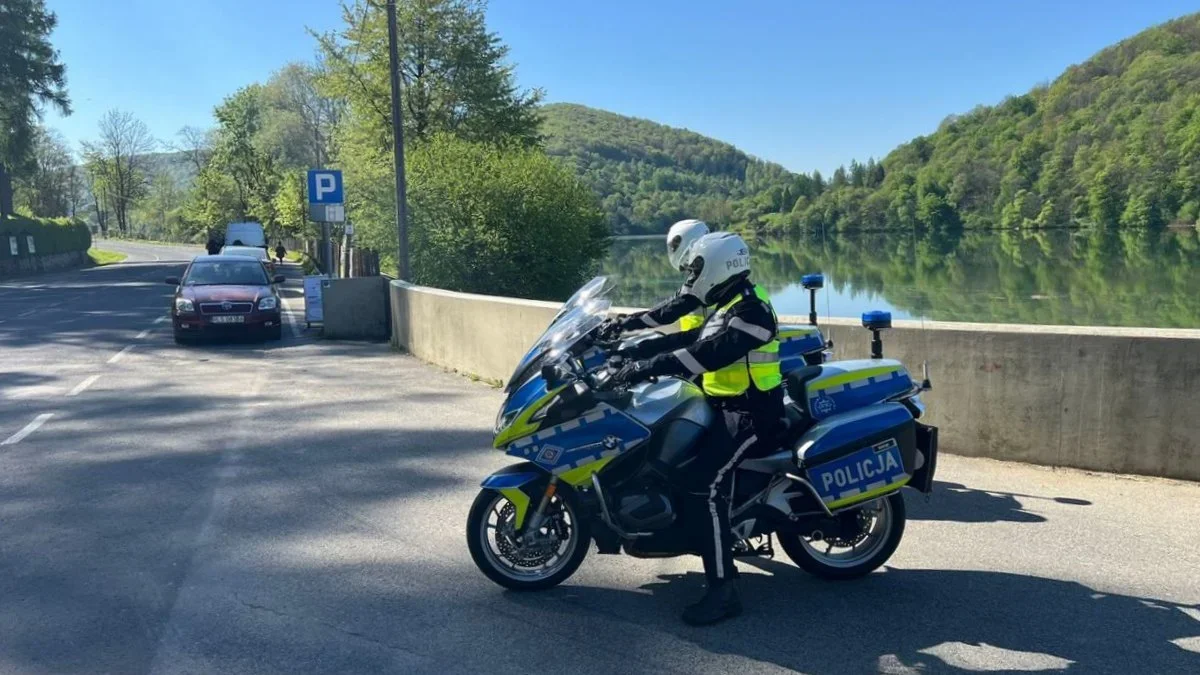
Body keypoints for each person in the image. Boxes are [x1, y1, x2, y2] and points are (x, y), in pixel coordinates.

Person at [608, 232, 784, 626]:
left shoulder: (753, 310)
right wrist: (637, 348)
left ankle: (724, 590)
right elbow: (695, 336)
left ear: (721, 265)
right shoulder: (728, 303)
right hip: (720, 404)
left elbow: (707, 354)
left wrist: (647, 366)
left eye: (697, 268)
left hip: (751, 413)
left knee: (705, 486)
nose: (692, 275)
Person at [607, 219, 711, 336]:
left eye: (675, 245)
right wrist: (625, 320)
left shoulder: (707, 280)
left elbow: (669, 312)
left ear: (689, 244)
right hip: (697, 341)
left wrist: (623, 324)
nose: (673, 249)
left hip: (704, 344)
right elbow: (670, 304)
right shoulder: (704, 274)